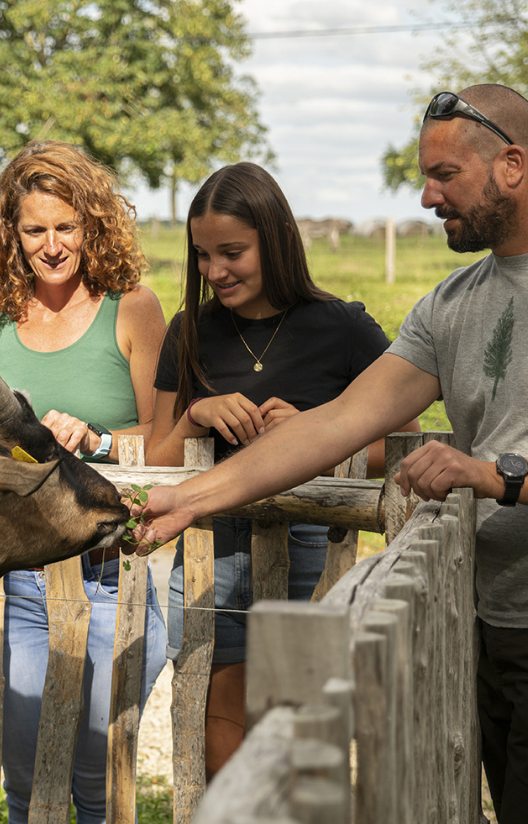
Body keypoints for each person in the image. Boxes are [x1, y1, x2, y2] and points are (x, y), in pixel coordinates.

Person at [130, 85, 528, 824]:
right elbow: (336, 423)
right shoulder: (453, 303)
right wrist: (184, 499)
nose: (427, 196)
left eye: (443, 175)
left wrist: (495, 473)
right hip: (488, 607)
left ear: (512, 164)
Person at [146, 161, 412, 778]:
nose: (215, 272)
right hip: (214, 554)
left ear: (276, 238)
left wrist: (314, 437)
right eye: (203, 256)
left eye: (232, 252)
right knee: (224, 724)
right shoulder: (189, 332)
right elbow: (158, 460)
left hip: (314, 552)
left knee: (299, 730)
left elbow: (401, 450)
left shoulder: (343, 327)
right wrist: (196, 417)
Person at [0, 139, 168, 824]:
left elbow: (168, 436)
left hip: (111, 578)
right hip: (13, 586)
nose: (52, 246)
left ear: (94, 225)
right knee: (24, 785)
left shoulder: (132, 309)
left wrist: (100, 438)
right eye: (35, 229)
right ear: (10, 234)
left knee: (98, 786)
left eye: (66, 227)